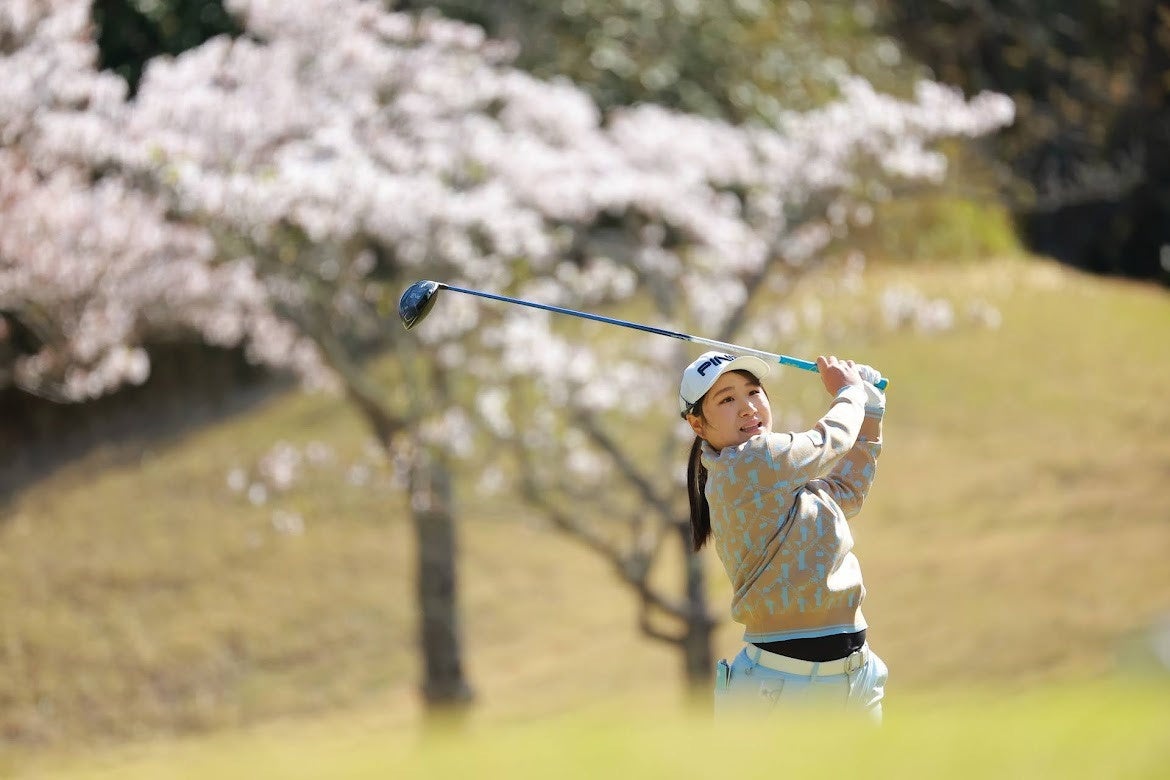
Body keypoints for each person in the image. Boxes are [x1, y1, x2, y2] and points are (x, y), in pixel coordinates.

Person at [679, 350, 888, 721]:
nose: (747, 407)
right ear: (698, 425)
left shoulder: (775, 474)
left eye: (753, 392)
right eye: (726, 399)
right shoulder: (749, 462)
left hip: (855, 677)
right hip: (780, 689)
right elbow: (830, 440)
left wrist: (871, 409)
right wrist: (851, 393)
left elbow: (847, 491)